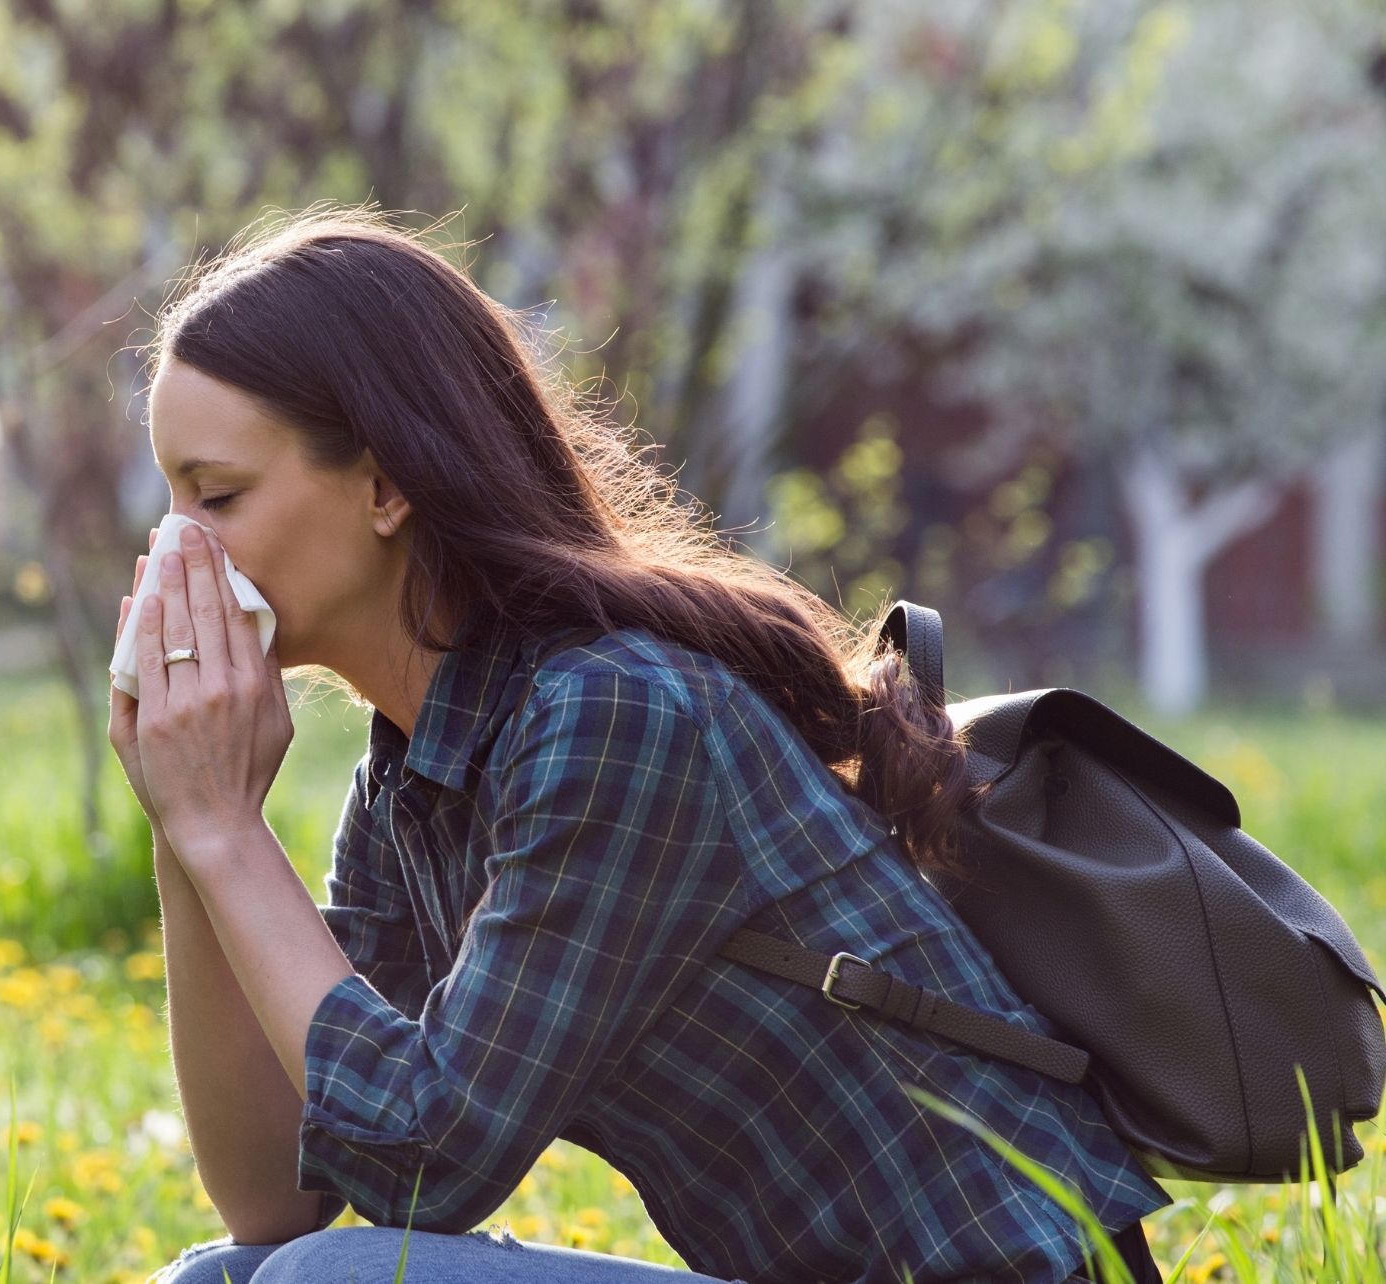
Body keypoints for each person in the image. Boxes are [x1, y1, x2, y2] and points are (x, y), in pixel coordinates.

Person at [105, 205, 1171, 1284]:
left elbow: (427, 1163)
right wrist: (188, 829)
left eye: (219, 495)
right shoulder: (411, 773)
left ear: (385, 487)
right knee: (226, 1280)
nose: (175, 549)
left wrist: (229, 832)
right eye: (172, 498)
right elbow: (271, 1196)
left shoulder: (610, 712)